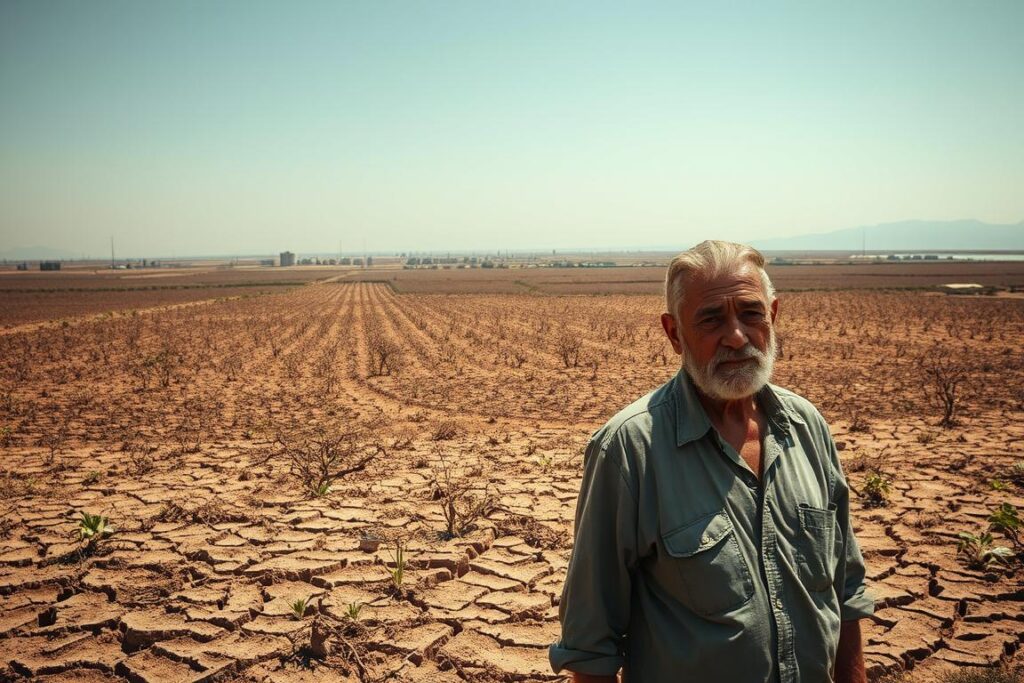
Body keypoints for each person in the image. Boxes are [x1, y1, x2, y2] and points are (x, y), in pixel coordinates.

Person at [549, 240, 873, 683]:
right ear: (674, 333)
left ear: (773, 317)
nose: (737, 336)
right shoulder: (630, 449)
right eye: (711, 319)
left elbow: (846, 589)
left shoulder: (806, 427)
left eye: (751, 313)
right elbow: (591, 646)